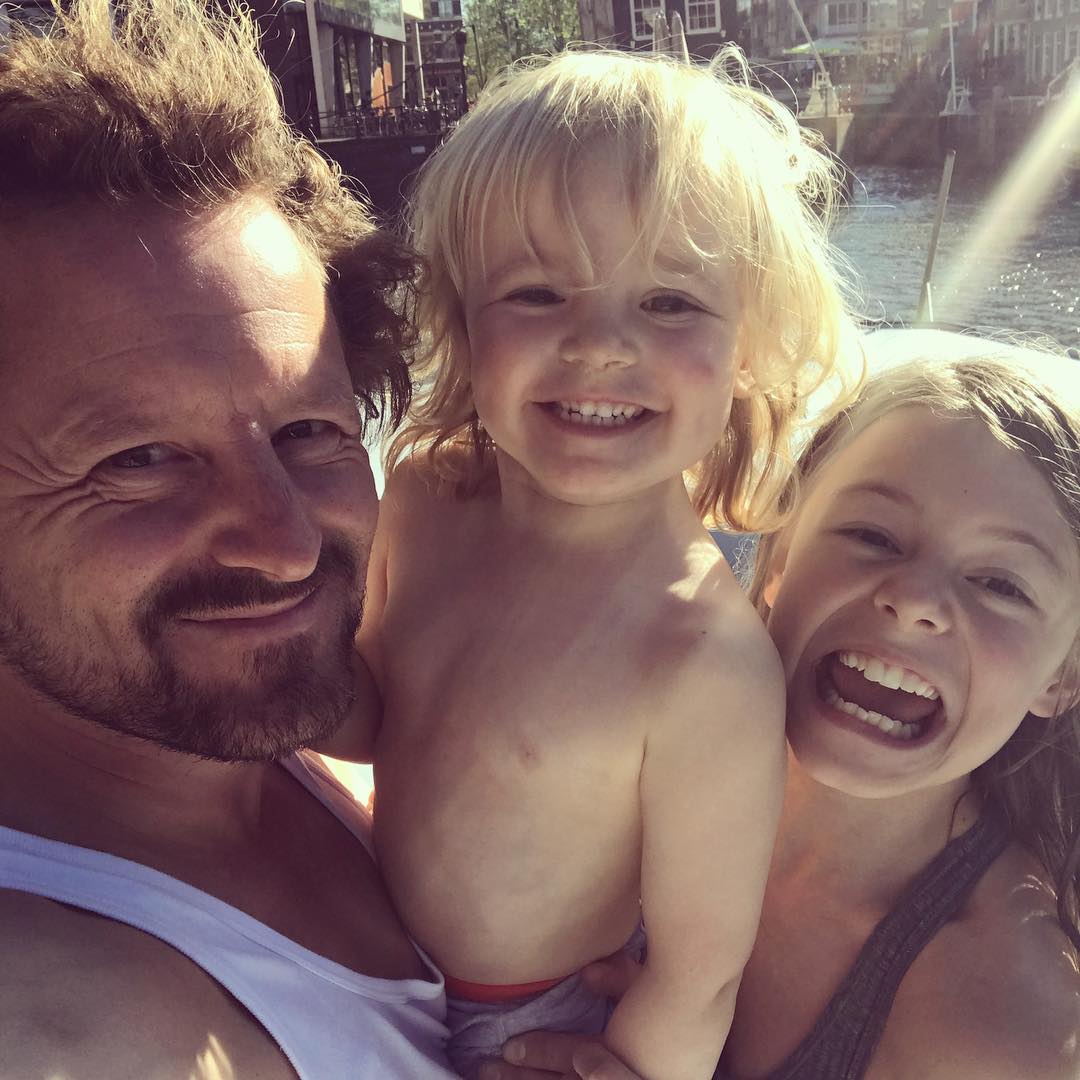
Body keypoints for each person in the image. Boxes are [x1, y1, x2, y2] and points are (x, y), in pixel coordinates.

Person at [327, 49, 859, 1080]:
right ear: (461, 320)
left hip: (525, 1029)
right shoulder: (425, 495)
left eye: (670, 304)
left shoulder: (700, 658)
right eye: (536, 293)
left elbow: (697, 977)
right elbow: (376, 710)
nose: (600, 344)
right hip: (364, 936)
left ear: (748, 349)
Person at [0, 0, 457, 1075]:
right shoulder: (78, 1016)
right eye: (139, 458)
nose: (285, 546)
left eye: (310, 431)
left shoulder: (292, 744)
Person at [486, 329, 1080, 1080]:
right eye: (872, 535)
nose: (914, 600)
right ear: (779, 555)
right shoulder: (606, 763)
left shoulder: (1010, 1033)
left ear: (1062, 679)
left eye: (1001, 585)